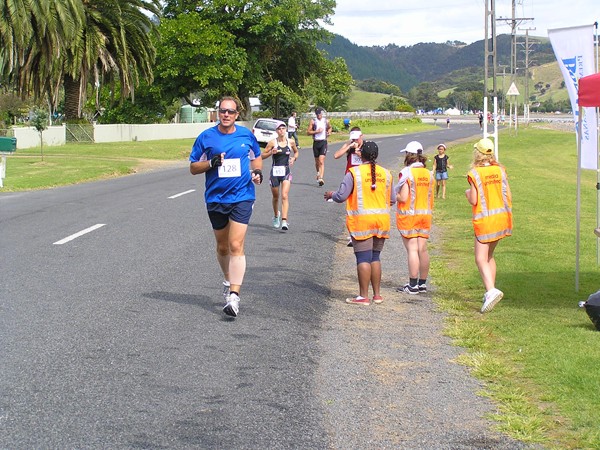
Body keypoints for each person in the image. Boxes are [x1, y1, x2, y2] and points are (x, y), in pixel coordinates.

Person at [189, 96, 263, 318]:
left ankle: (234, 296)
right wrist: (211, 163)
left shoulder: (246, 135)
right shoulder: (206, 137)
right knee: (222, 247)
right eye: (223, 111)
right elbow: (193, 167)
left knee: (235, 244)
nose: (226, 115)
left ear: (237, 114)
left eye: (231, 111)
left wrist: (257, 173)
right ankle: (228, 278)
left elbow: (256, 158)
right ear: (218, 112)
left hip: (242, 196)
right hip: (216, 198)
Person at [324, 141, 393, 305]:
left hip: (362, 221)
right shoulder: (387, 174)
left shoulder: (354, 173)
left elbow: (341, 196)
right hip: (381, 221)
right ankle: (377, 295)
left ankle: (363, 296)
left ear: (360, 154)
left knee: (363, 258)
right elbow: (391, 199)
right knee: (375, 257)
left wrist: (330, 194)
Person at [465, 137, 513, 313]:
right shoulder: (500, 170)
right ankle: (489, 290)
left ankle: (491, 290)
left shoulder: (475, 173)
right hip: (501, 217)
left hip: (485, 220)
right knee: (489, 256)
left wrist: (467, 193)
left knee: (480, 258)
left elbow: (474, 199)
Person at [395, 141, 434, 295]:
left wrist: (392, 196)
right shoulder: (428, 173)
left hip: (409, 216)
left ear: (408, 155)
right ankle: (422, 284)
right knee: (423, 249)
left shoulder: (407, 173)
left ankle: (412, 285)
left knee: (412, 249)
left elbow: (403, 197)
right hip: (425, 215)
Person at [262, 121, 299, 231]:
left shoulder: (291, 142)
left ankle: (284, 220)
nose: (281, 130)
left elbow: (296, 152)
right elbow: (262, 156)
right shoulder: (272, 143)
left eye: (283, 128)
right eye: (279, 129)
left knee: (284, 196)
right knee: (276, 197)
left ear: (286, 130)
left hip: (286, 172)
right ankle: (276, 215)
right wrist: (271, 153)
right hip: (275, 172)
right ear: (276, 131)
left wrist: (293, 158)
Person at [334, 126, 365, 247]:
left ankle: (360, 231)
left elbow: (373, 161)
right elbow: (336, 155)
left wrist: (358, 151)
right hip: (350, 179)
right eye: (353, 139)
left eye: (357, 139)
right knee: (351, 208)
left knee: (361, 207)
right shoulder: (349, 145)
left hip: (362, 179)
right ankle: (352, 235)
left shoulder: (366, 147)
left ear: (361, 137)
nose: (355, 141)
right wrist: (348, 147)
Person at [307, 107, 331, 186]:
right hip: (316, 143)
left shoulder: (325, 121)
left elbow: (330, 127)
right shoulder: (313, 121)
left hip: (323, 142)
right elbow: (308, 132)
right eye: (317, 114)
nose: (318, 115)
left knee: (321, 161)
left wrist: (329, 132)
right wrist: (317, 131)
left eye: (320, 114)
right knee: (317, 162)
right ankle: (318, 173)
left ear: (322, 114)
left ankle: (321, 178)